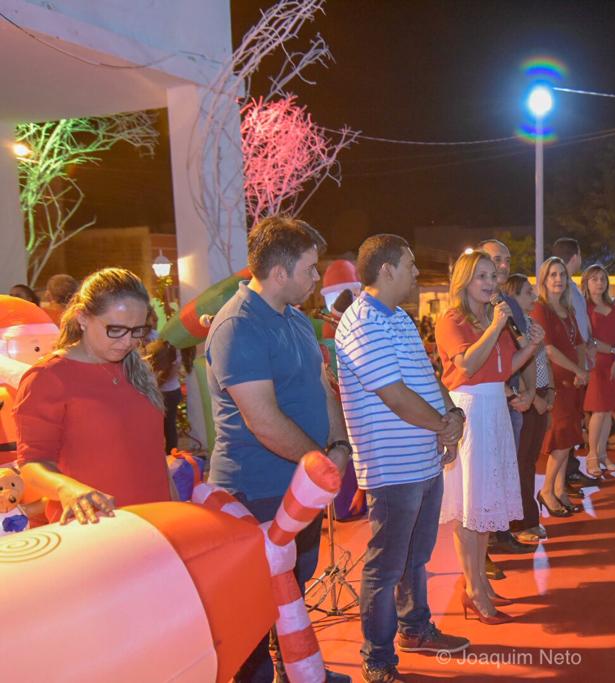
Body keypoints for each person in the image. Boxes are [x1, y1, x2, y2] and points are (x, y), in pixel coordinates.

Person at [205, 217, 351, 683]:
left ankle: (295, 670)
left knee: (294, 587)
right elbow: (263, 420)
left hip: (300, 484)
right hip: (257, 491)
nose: (316, 278)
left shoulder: (296, 320)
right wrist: (321, 463)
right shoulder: (239, 326)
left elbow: (321, 389)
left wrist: (338, 444)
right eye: (309, 269)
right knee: (254, 609)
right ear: (280, 272)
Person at [335, 234, 470, 682]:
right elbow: (393, 396)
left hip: (423, 460)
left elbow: (426, 378)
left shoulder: (400, 319)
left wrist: (452, 415)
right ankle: (377, 657)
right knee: (386, 566)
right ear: (386, 269)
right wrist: (443, 425)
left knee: (415, 557)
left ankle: (415, 627)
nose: (416, 272)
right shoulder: (361, 322)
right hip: (393, 468)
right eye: (410, 264)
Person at [435, 251, 544, 625]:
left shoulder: (491, 317)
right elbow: (466, 364)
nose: (489, 282)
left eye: (492, 276)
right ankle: (474, 589)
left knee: (483, 506)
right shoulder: (452, 320)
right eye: (480, 276)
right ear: (464, 281)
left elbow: (504, 368)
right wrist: (496, 327)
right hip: (470, 410)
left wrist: (531, 347)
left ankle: (480, 582)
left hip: (495, 407)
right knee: (469, 507)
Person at [15, 268, 170, 525]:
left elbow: (154, 456)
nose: (127, 342)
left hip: (156, 521)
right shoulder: (48, 377)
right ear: (83, 318)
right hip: (94, 527)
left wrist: (175, 505)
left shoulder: (138, 370)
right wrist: (67, 489)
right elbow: (32, 465)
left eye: (137, 331)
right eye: (116, 329)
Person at [478, 239, 537, 557]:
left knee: (505, 471)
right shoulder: (472, 305)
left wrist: (529, 392)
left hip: (512, 401)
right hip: (484, 401)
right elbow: (471, 362)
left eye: (506, 260)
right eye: (496, 259)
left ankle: (500, 533)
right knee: (483, 477)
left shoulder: (510, 304)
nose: (503, 266)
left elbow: (524, 349)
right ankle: (480, 551)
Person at [530, 257, 587, 517]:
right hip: (556, 383)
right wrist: (578, 370)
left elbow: (579, 344)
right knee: (561, 439)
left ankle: (560, 488)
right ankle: (546, 490)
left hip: (574, 382)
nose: (558, 279)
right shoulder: (540, 309)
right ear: (544, 279)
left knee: (570, 437)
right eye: (552, 274)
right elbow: (550, 349)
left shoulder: (568, 309)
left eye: (562, 274)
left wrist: (581, 371)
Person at [501, 274, 554, 545]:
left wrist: (550, 391)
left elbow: (543, 362)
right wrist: (534, 398)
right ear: (512, 296)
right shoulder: (510, 328)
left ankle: (529, 517)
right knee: (521, 463)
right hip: (526, 400)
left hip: (539, 395)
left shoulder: (531, 325)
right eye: (527, 293)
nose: (534, 296)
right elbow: (517, 368)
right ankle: (521, 521)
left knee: (529, 461)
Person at [550, 237, 598, 489]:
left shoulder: (571, 289)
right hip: (568, 366)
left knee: (572, 421)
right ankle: (564, 477)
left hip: (574, 363)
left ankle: (566, 475)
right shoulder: (565, 290)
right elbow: (572, 334)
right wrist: (579, 366)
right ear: (576, 256)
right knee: (566, 424)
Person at [581, 264, 615, 476]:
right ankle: (591, 455)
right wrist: (613, 350)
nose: (599, 283)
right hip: (596, 364)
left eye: (602, 278)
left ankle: (602, 453)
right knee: (598, 410)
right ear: (586, 283)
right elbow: (590, 341)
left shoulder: (614, 305)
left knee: (608, 410)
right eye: (594, 279)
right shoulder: (584, 307)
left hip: (614, 363)